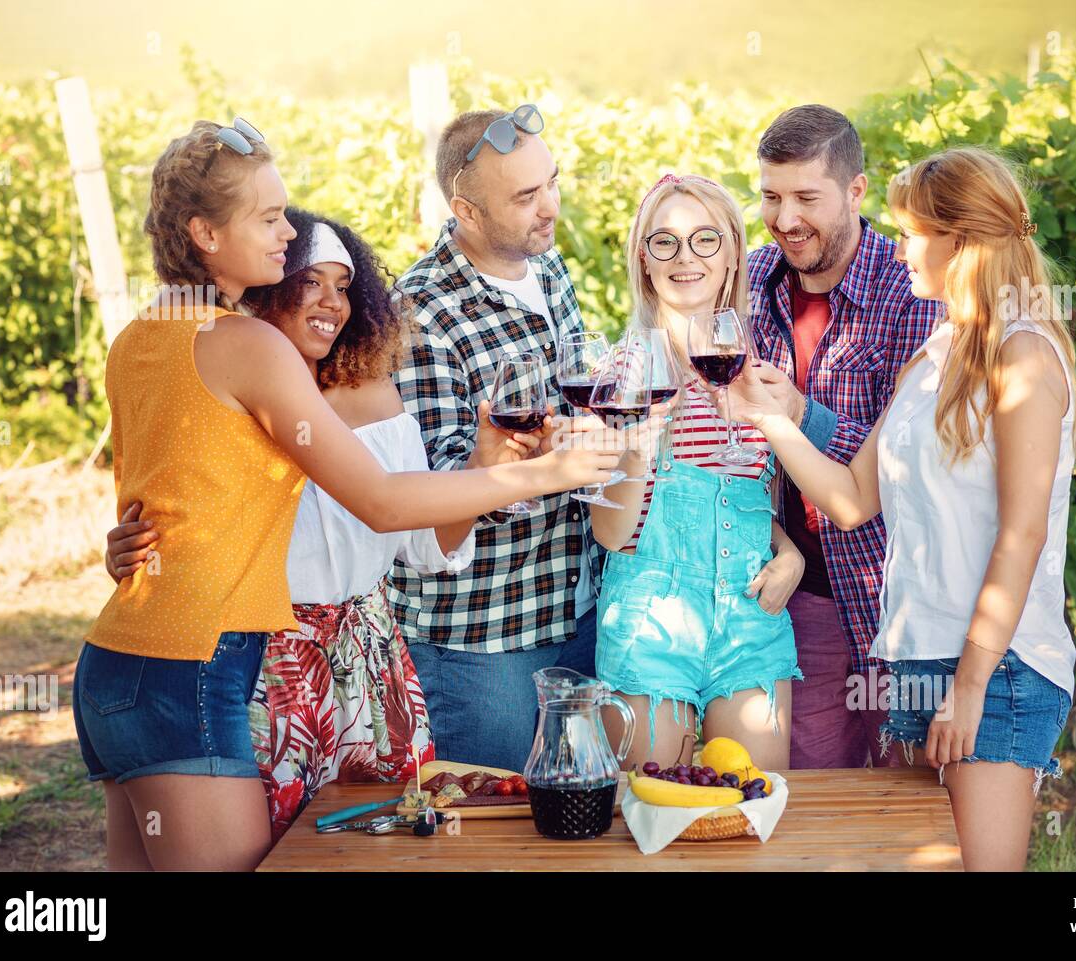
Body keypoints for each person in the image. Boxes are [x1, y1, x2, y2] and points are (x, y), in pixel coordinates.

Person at [75, 120, 622, 870]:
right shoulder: (250, 345)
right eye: (268, 218)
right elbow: (382, 501)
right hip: (200, 662)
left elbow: (160, 494)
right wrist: (550, 473)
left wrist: (123, 545)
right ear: (204, 232)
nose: (284, 231)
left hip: (117, 666)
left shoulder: (139, 336)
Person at [727, 146, 1076, 870]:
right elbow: (853, 499)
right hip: (918, 659)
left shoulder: (1025, 356)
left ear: (964, 240)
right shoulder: (937, 351)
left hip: (996, 668)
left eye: (915, 232)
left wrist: (971, 685)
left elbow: (1020, 534)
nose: (899, 248)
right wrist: (768, 421)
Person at [390, 106, 624, 772]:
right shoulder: (420, 311)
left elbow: (574, 392)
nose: (549, 206)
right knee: (488, 837)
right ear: (466, 211)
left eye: (551, 181)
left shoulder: (546, 268)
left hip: (575, 609)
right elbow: (434, 499)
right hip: (483, 641)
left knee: (568, 823)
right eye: (525, 196)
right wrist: (526, 460)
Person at [743, 104, 944, 768]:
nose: (785, 218)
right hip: (802, 594)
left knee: (911, 794)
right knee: (815, 801)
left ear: (856, 190)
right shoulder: (751, 282)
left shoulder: (912, 290)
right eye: (771, 196)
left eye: (806, 197)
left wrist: (804, 414)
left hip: (898, 593)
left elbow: (912, 455)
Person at [589, 173, 805, 773]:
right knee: (652, 825)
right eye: (665, 242)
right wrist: (637, 447)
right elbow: (610, 534)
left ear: (734, 251)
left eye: (705, 240)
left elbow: (754, 494)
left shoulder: (755, 364)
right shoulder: (626, 370)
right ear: (644, 257)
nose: (686, 259)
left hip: (750, 617)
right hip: (653, 617)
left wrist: (790, 555)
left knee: (750, 815)